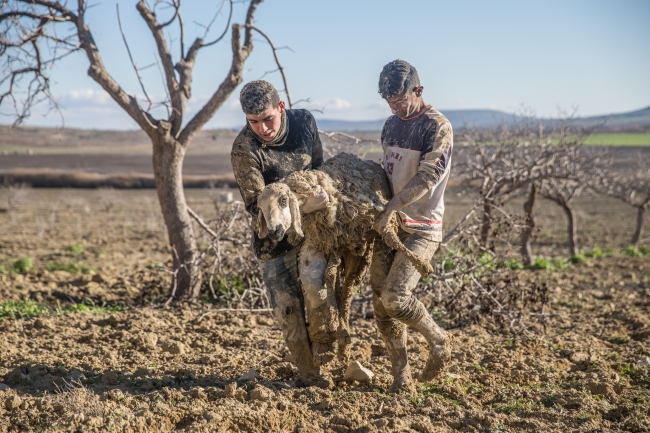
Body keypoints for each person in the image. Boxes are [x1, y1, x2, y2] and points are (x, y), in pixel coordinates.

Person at [230, 80, 333, 387]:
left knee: (317, 290)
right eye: (253, 122)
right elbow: (256, 207)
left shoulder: (304, 123)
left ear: (281, 108)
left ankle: (326, 362)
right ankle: (308, 378)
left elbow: (319, 170)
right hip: (272, 241)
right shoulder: (244, 149)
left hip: (312, 231)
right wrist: (306, 205)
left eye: (268, 119)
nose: (262, 128)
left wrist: (321, 199)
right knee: (288, 310)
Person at [370, 60, 454, 393]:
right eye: (389, 102)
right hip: (388, 224)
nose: (395, 108)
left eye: (400, 100)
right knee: (380, 302)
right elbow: (387, 172)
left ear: (418, 90)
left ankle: (438, 339)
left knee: (396, 297)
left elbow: (427, 177)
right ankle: (401, 375)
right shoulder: (391, 124)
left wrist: (391, 208)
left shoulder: (437, 127)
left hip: (421, 227)